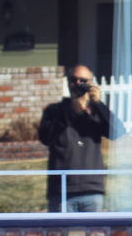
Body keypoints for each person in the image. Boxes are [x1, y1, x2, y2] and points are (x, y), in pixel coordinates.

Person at [39, 65, 124, 213]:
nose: (78, 84)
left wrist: (98, 103)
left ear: (91, 84)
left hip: (91, 188)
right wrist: (71, 111)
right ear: (68, 83)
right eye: (74, 80)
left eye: (83, 81)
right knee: (61, 235)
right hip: (62, 189)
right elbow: (46, 137)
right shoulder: (55, 111)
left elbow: (117, 132)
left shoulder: (96, 112)